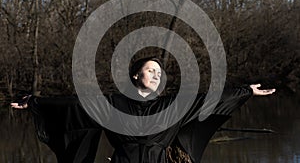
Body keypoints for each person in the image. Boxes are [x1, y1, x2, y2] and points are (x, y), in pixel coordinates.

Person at [11, 57, 275, 163]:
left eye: (159, 72)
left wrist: (247, 91)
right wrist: (34, 102)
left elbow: (209, 98)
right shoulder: (113, 103)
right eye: (151, 69)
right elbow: (75, 105)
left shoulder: (171, 105)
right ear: (135, 76)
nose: (156, 74)